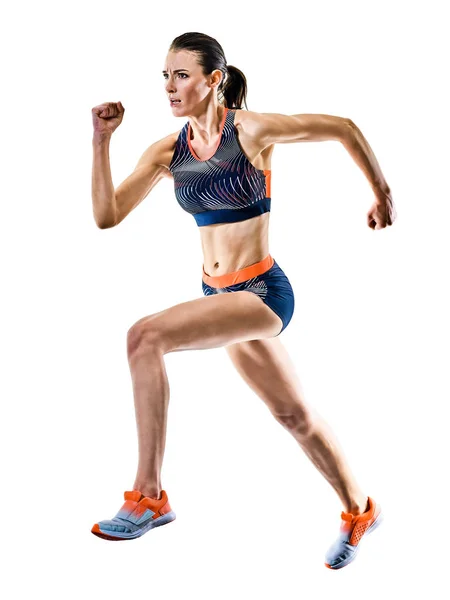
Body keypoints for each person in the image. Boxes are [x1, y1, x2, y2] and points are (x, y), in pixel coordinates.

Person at [90, 32, 396, 569]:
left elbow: (342, 128)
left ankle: (148, 496)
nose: (170, 86)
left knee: (144, 336)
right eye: (165, 75)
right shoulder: (169, 151)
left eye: (182, 75)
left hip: (262, 293)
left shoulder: (251, 131)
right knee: (294, 414)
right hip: (219, 295)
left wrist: (381, 193)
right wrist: (100, 141)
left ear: (214, 80)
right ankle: (359, 510)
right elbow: (107, 214)